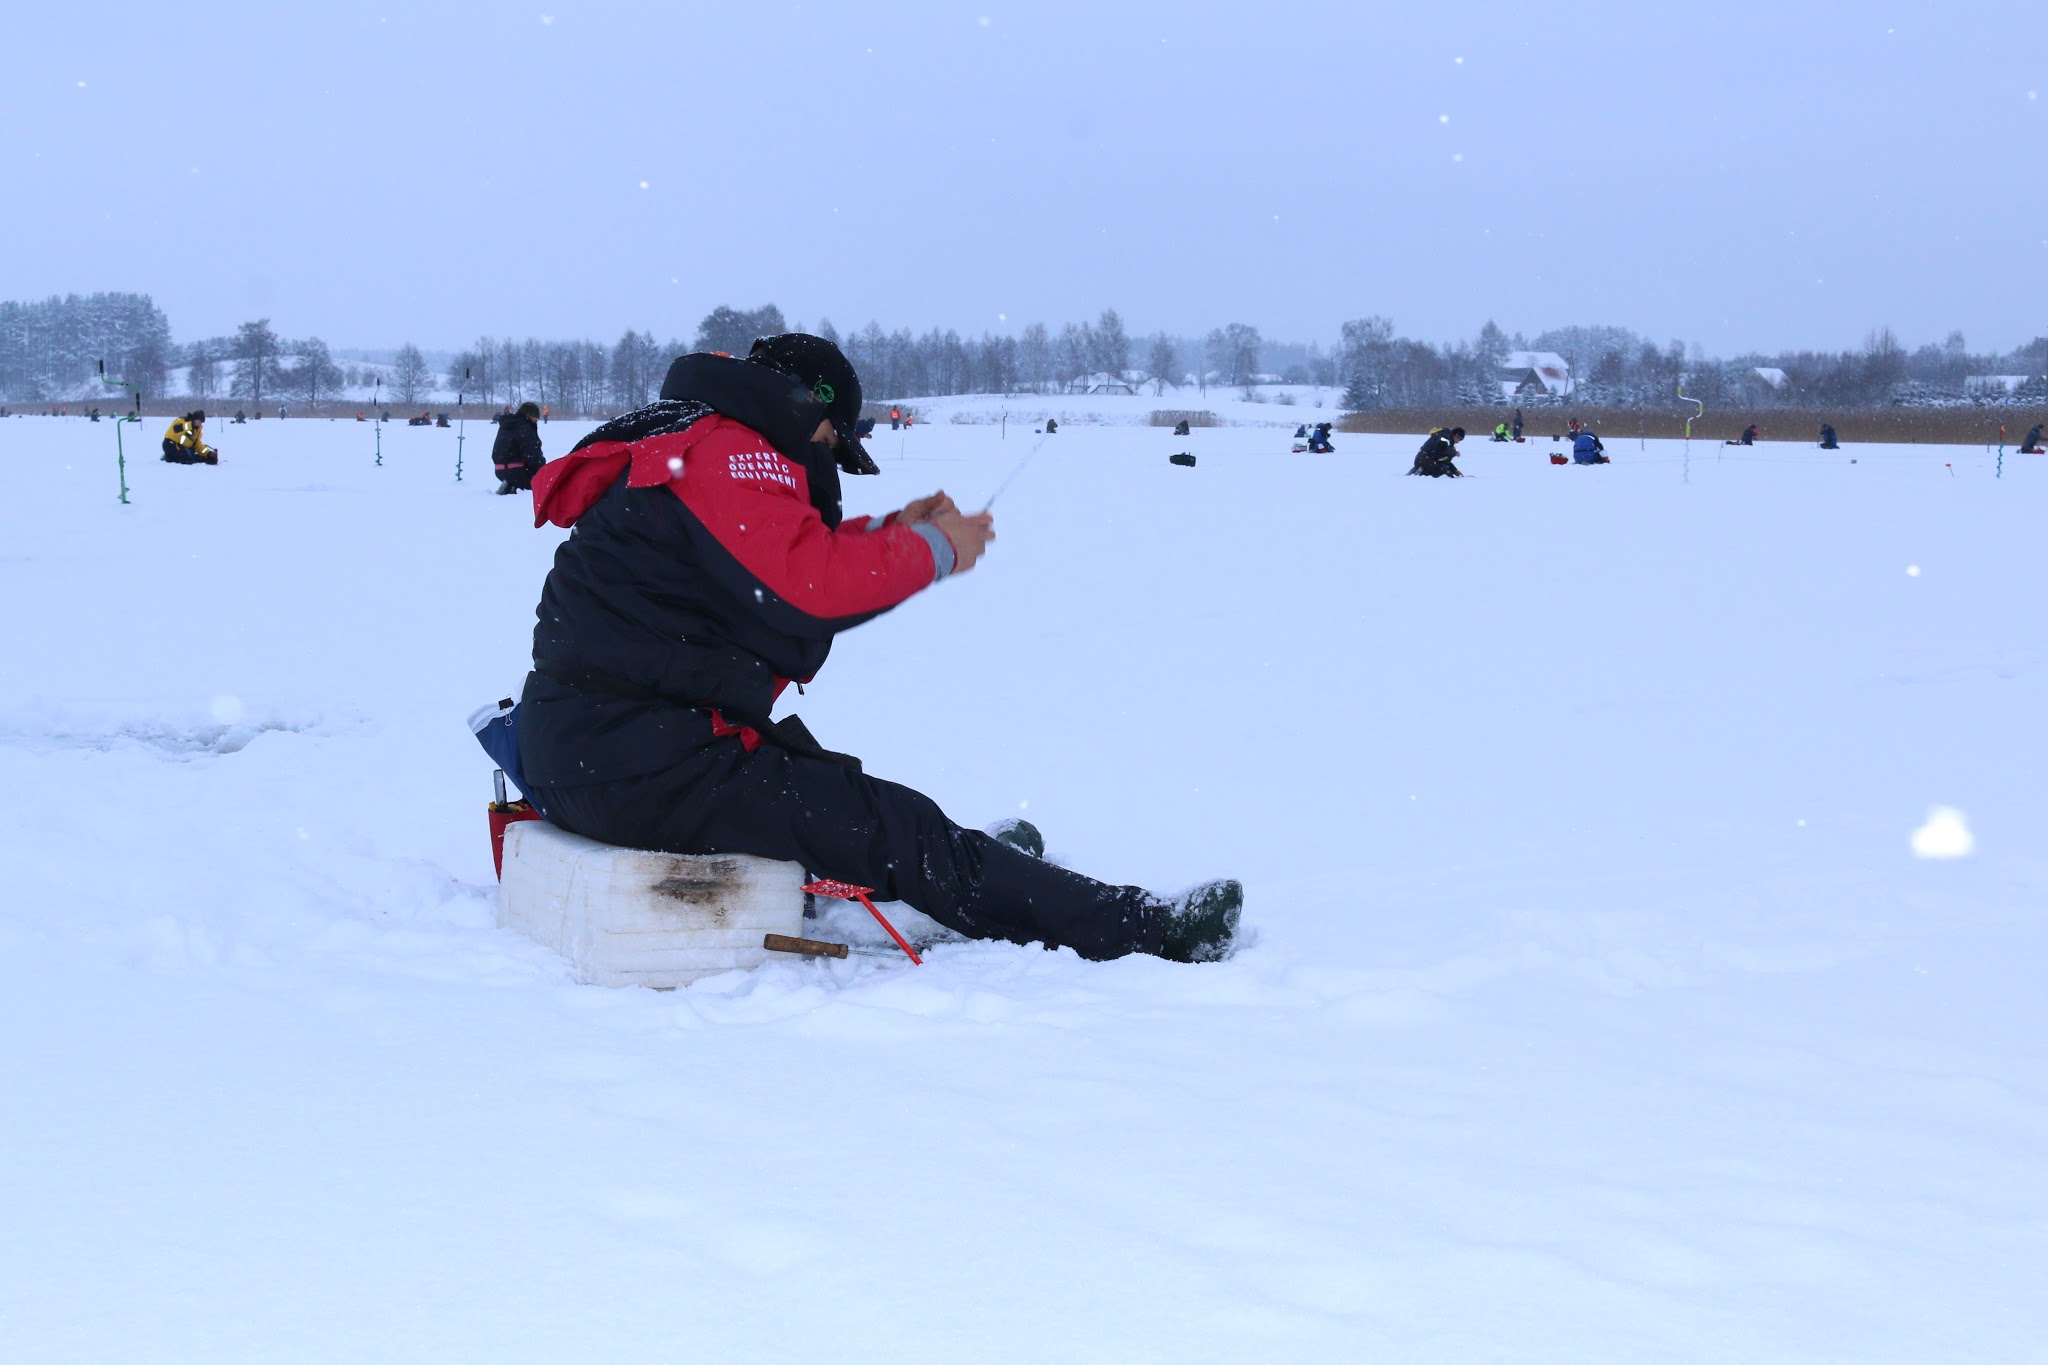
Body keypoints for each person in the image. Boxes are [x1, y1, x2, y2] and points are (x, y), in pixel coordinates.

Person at [512, 334, 1241, 964]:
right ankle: (1142, 929)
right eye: (832, 440)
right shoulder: (726, 450)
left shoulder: (696, 439)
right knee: (899, 827)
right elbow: (807, 587)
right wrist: (935, 549)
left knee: (838, 796)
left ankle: (982, 870)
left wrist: (897, 527)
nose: (828, 455)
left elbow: (773, 551)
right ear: (808, 410)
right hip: (638, 764)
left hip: (607, 751)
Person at [492, 401, 547, 494]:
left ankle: (511, 484)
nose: (536, 422)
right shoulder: (525, 428)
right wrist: (542, 471)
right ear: (529, 416)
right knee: (541, 484)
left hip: (499, 470)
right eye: (535, 420)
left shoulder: (507, 425)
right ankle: (514, 485)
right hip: (518, 471)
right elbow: (533, 455)